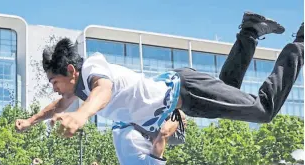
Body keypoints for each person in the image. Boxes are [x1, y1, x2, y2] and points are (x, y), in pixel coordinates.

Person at [16, 12, 303, 137]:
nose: (55, 90)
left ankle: (299, 44)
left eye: (55, 82)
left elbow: (103, 93)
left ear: (70, 70)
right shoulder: (75, 90)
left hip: (185, 88)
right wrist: (31, 120)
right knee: (229, 93)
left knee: (262, 110)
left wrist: (81, 116)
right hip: (186, 100)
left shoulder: (93, 66)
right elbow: (57, 106)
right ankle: (250, 31)